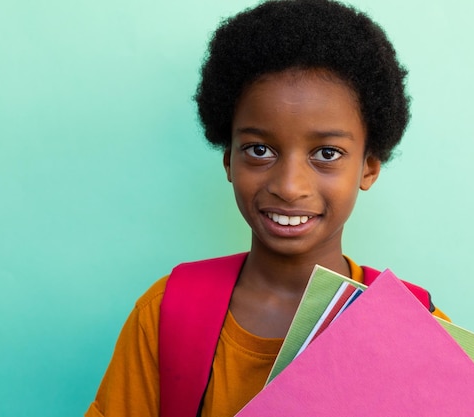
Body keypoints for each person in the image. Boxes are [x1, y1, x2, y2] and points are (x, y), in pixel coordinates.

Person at [85, 1, 448, 416]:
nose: (290, 187)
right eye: (259, 150)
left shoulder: (419, 330)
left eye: (327, 153)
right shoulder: (166, 314)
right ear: (229, 160)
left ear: (368, 167)